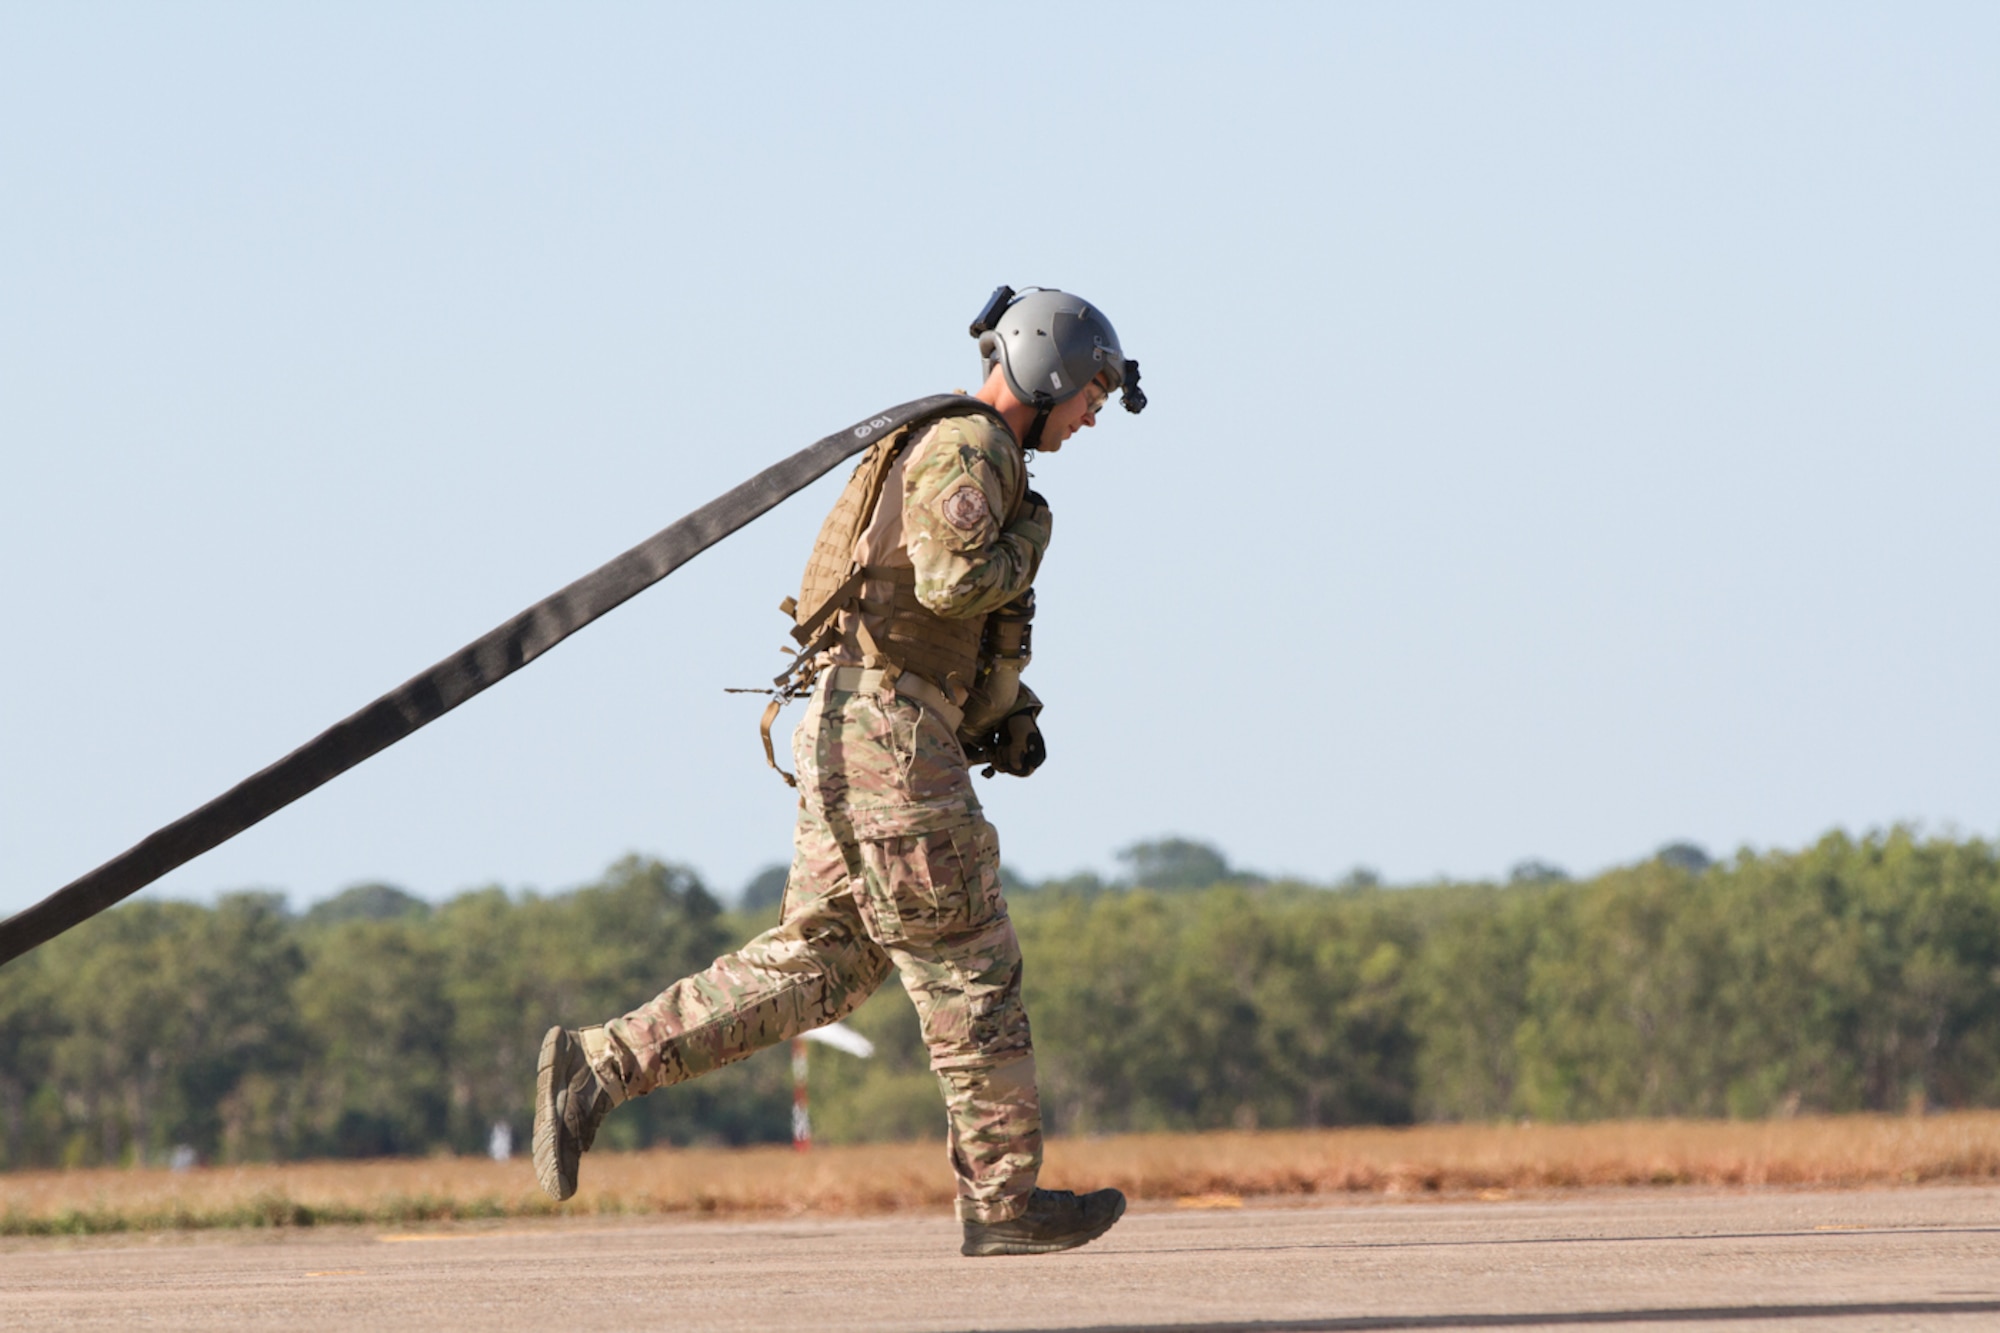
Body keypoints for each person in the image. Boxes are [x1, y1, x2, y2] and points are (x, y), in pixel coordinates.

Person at [532, 287, 1145, 1257]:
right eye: (1091, 392)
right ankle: (1001, 1198)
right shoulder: (975, 447)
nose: (1093, 413)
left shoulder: (941, 444)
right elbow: (952, 582)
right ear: (1049, 370)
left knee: (824, 964)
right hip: (891, 740)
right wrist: (1033, 537)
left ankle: (600, 1066)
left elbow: (916, 603)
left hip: (855, 726)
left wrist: (1001, 714)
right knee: (968, 963)